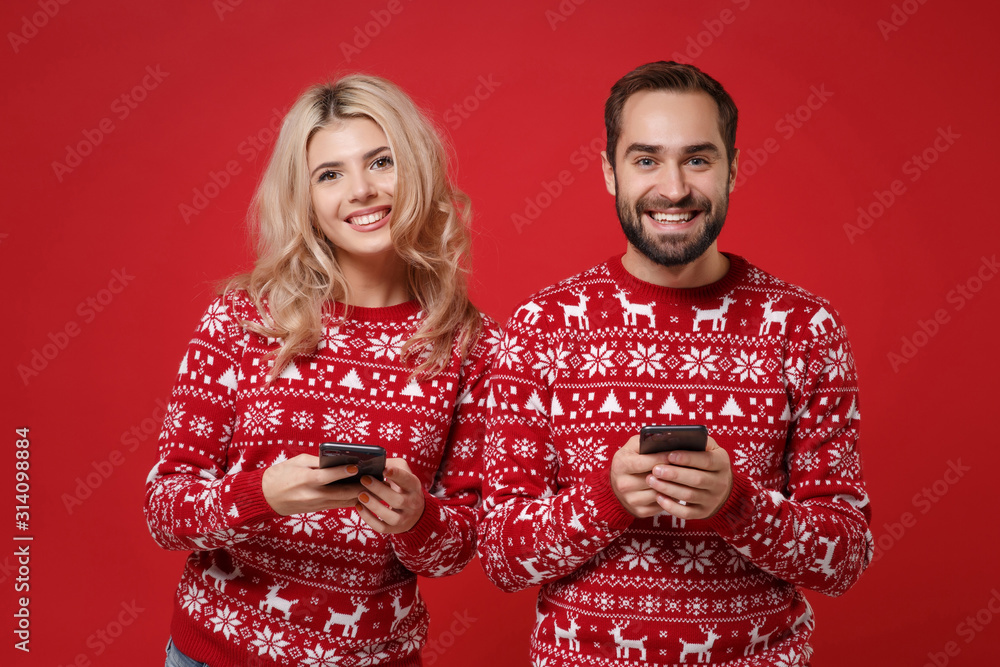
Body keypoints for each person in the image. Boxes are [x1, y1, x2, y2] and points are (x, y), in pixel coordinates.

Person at [477, 61, 872, 666]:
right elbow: (502, 557)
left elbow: (845, 558)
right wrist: (605, 500)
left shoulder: (806, 329)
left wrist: (736, 504)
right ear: (609, 172)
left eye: (697, 159)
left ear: (733, 168)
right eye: (645, 160)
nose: (674, 188)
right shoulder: (540, 328)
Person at [144, 74, 498, 667]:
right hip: (218, 656)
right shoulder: (243, 320)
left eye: (381, 162)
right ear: (305, 197)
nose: (360, 191)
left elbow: (457, 549)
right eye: (329, 175)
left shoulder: (469, 344)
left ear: (415, 169)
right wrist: (264, 494)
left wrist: (416, 517)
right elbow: (165, 510)